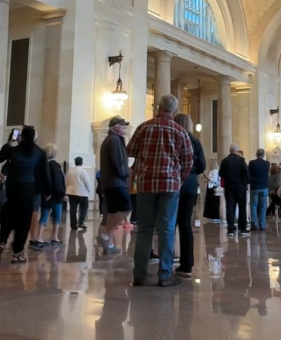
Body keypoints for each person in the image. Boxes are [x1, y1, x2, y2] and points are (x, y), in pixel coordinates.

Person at [126, 94, 194, 287]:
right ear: (175, 109)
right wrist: (178, 180)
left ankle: (139, 273)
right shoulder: (180, 131)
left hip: (146, 185)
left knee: (144, 229)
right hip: (170, 186)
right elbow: (188, 162)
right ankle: (165, 274)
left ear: (158, 107)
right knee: (167, 230)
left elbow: (130, 151)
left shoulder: (143, 127)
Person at [0, 126, 50, 263]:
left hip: (12, 187)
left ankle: (2, 241)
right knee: (23, 221)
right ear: (34, 137)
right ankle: (17, 252)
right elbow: (45, 172)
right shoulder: (39, 152)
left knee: (7, 216)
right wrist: (47, 191)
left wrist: (9, 144)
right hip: (28, 189)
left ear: (21, 136)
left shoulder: (12, 150)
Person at [173, 113, 207, 278]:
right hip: (190, 183)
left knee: (169, 223)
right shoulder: (195, 141)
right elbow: (202, 165)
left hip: (173, 181)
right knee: (185, 223)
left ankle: (169, 257)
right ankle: (187, 264)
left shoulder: (173, 137)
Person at [96, 116, 131, 253]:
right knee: (126, 208)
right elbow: (118, 162)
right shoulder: (115, 140)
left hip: (110, 181)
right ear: (116, 127)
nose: (124, 128)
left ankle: (109, 245)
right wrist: (125, 175)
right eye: (123, 126)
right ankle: (105, 235)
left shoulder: (110, 140)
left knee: (112, 212)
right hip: (116, 181)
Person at [32, 144, 66, 248]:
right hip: (55, 197)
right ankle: (55, 237)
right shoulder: (55, 166)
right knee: (57, 217)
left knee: (44, 216)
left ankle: (39, 237)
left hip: (46, 195)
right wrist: (62, 194)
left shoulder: (43, 165)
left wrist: (46, 193)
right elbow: (58, 181)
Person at [219, 143, 250, 238]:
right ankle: (243, 228)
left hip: (229, 187)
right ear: (236, 151)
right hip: (240, 187)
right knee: (242, 207)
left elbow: (221, 174)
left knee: (230, 208)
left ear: (230, 150)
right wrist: (245, 183)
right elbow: (247, 174)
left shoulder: (225, 161)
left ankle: (231, 230)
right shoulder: (241, 160)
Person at [66, 156, 93, 231]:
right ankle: (80, 222)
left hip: (71, 192)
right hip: (82, 193)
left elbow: (67, 181)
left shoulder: (70, 171)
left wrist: (67, 190)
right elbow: (86, 182)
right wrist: (88, 190)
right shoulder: (83, 171)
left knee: (73, 209)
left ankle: (73, 225)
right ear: (82, 162)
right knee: (84, 207)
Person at [248, 148, 271, 233]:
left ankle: (254, 224)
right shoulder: (267, 163)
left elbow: (249, 173)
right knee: (263, 207)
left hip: (254, 187)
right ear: (264, 155)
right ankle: (262, 225)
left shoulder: (252, 163)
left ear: (256, 154)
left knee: (254, 206)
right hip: (264, 187)